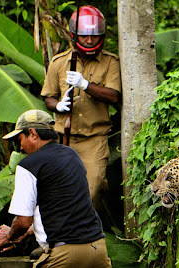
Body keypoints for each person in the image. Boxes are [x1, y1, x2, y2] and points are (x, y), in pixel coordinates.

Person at [0, 109, 112, 268]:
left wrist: (8, 237)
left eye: (20, 139)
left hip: (65, 256)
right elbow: (62, 206)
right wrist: (27, 232)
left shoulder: (29, 166)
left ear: (33, 133)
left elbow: (22, 221)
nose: (20, 147)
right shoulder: (71, 155)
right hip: (97, 250)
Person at [40, 5, 121, 212]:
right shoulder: (59, 63)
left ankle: (88, 236)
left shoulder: (110, 62)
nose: (90, 40)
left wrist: (86, 85)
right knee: (59, 192)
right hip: (63, 139)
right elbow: (48, 96)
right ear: (74, 35)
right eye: (85, 36)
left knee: (92, 189)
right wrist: (57, 106)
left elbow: (113, 95)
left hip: (94, 139)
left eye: (95, 36)